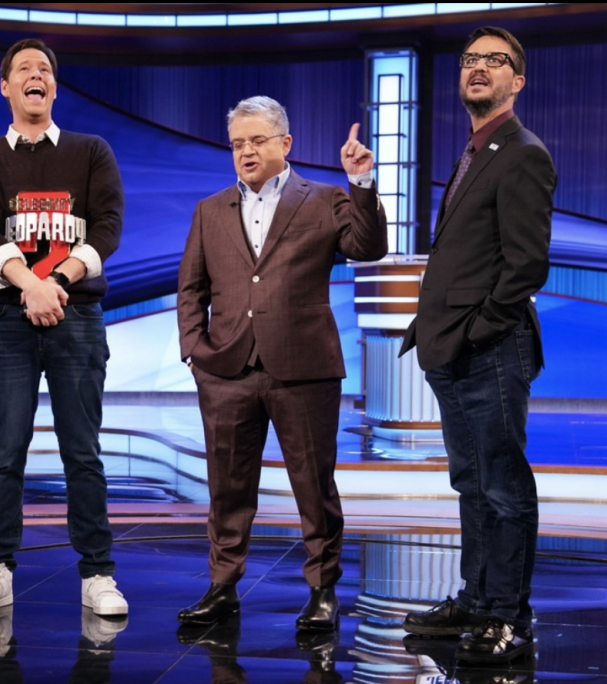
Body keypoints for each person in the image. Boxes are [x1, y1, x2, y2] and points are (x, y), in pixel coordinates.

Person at [176, 96, 387, 631]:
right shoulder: (209, 209)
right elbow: (191, 289)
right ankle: (222, 586)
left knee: (313, 485)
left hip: (304, 366)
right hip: (226, 370)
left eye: (257, 141)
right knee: (227, 486)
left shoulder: (323, 198)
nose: (245, 152)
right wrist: (195, 350)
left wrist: (361, 183)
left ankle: (322, 590)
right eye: (238, 144)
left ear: (285, 144)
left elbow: (368, 247)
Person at [399, 26, 555, 664]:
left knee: (503, 488)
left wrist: (476, 330)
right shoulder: (476, 150)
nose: (479, 69)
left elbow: (525, 267)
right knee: (472, 483)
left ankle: (509, 616)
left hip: (491, 350)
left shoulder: (522, 152)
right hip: (454, 351)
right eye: (470, 60)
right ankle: (477, 595)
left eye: (496, 61)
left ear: (518, 81)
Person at [0, 38, 127, 617]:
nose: (37, 75)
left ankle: (98, 574)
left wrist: (59, 280)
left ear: (54, 87)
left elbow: (107, 226)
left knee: (84, 450)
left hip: (77, 316)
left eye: (47, 69)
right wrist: (30, 287)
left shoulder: (91, 150)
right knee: (6, 450)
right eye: (24, 69)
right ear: (5, 87)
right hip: (8, 320)